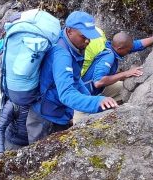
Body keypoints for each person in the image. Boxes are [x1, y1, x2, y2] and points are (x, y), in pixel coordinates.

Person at [33, 11, 119, 142]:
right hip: (45, 117)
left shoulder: (75, 47)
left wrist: (90, 99)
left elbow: (76, 78)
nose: (87, 41)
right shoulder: (62, 55)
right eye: (83, 36)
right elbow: (66, 94)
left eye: (90, 37)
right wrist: (96, 102)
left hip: (57, 110)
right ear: (69, 31)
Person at [82, 32, 153, 101]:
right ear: (119, 48)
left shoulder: (111, 46)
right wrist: (125, 73)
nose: (128, 52)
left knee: (123, 87)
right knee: (125, 90)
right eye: (127, 51)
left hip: (94, 89)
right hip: (85, 96)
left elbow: (135, 45)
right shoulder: (108, 57)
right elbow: (98, 82)